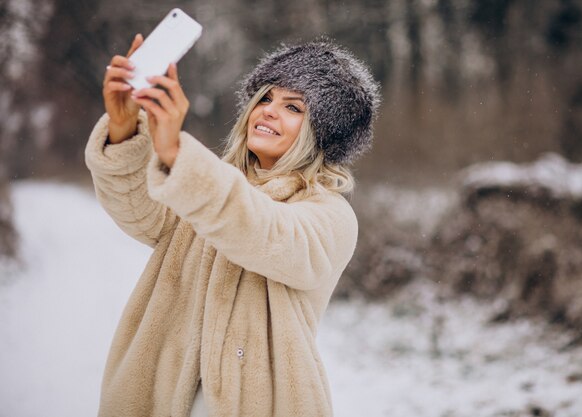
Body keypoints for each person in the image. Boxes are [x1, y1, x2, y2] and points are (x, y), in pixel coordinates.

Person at [85, 33, 380, 417]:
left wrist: (177, 151)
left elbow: (266, 233)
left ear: (322, 132)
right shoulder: (209, 184)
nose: (269, 111)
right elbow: (141, 211)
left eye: (293, 107)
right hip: (160, 394)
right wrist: (124, 130)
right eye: (266, 98)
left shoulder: (329, 213)